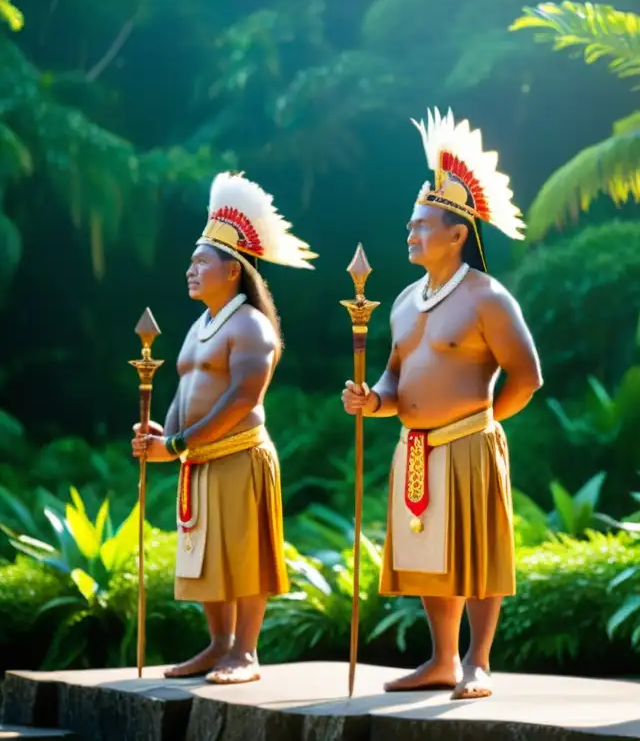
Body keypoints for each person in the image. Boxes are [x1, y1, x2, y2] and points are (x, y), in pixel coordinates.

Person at [342, 107, 543, 700]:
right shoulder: (404, 301)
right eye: (410, 224)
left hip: (468, 442)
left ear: (458, 234)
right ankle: (442, 660)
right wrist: (372, 401)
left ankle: (479, 662)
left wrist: (483, 425)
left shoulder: (488, 298)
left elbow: (527, 376)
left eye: (421, 225)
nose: (410, 233)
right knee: (430, 557)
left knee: (478, 555)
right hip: (416, 447)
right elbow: (394, 376)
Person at [130, 171, 317, 684]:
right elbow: (183, 392)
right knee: (205, 554)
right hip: (199, 457)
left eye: (201, 261)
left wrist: (180, 443)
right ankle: (218, 646)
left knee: (243, 554)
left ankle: (246, 652)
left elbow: (243, 397)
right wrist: (161, 436)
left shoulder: (251, 325)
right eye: (192, 260)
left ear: (232, 270)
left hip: (238, 452)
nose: (190, 269)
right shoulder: (199, 326)